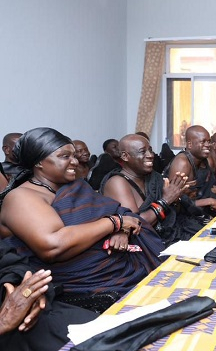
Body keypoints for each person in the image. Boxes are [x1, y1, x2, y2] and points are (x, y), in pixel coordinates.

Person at [0, 127, 164, 303]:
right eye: (65, 157)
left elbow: (123, 214)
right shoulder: (21, 197)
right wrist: (114, 223)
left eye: (74, 156)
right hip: (81, 288)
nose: (74, 162)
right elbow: (53, 246)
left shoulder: (76, 187)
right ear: (39, 162)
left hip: (119, 270)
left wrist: (121, 231)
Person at [0, 242, 97, 351]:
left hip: (34, 319)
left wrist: (21, 291)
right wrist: (2, 322)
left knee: (114, 339)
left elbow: (8, 262)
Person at [100, 134, 200, 247]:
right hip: (143, 246)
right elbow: (134, 224)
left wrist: (177, 196)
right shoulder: (117, 182)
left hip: (169, 237)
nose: (150, 155)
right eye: (143, 152)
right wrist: (166, 200)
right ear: (125, 156)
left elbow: (172, 214)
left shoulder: (154, 177)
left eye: (150, 150)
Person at [163, 125, 216, 218]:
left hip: (197, 212)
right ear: (190, 144)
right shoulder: (182, 163)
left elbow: (209, 186)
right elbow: (173, 201)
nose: (208, 145)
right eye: (203, 142)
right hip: (179, 218)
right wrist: (208, 201)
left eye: (209, 141)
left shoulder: (204, 160)